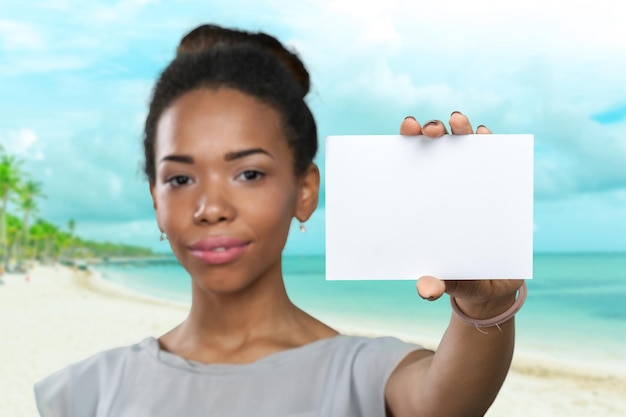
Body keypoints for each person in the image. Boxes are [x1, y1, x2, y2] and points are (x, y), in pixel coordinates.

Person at [34, 24, 526, 417]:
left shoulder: (364, 374)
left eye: (247, 173)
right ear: (155, 199)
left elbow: (444, 402)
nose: (211, 207)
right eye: (181, 179)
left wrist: (486, 308)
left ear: (305, 190)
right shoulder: (85, 393)